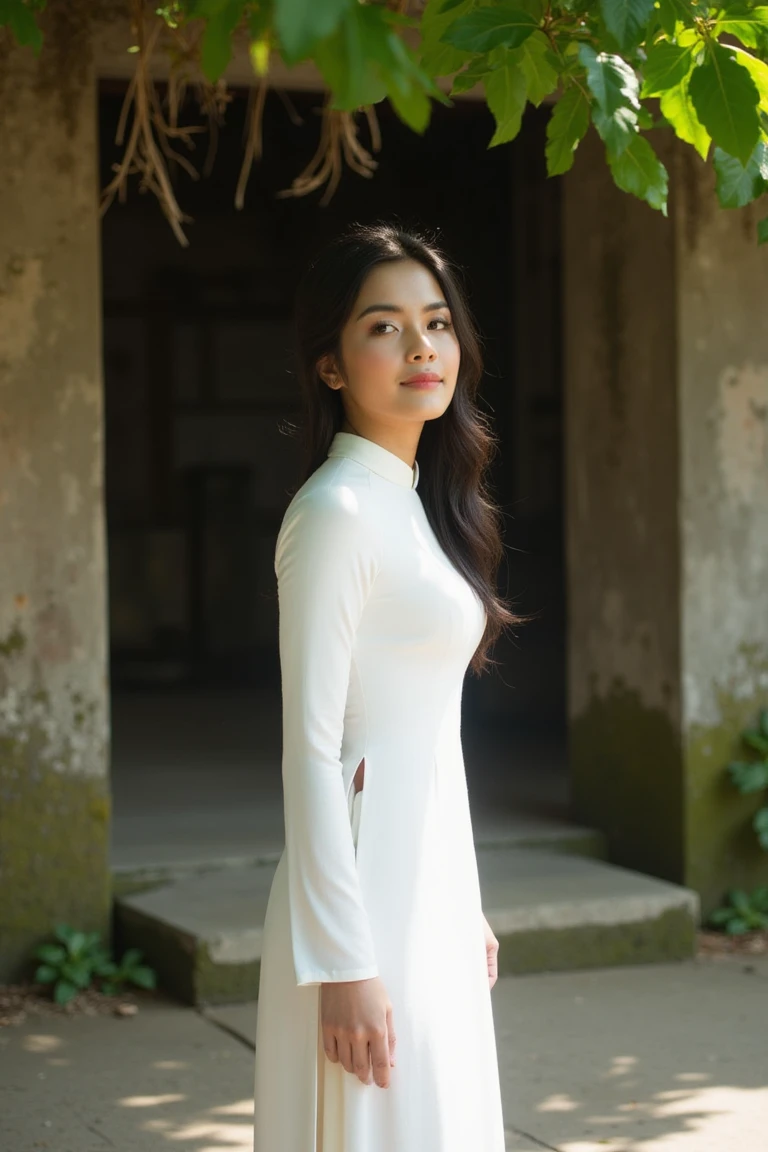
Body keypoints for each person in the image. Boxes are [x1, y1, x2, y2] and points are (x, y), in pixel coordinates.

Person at [253, 220, 519, 1151]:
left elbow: (425, 738)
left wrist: (465, 897)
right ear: (330, 364)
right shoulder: (336, 513)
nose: (421, 348)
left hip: (425, 881)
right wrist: (341, 965)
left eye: (437, 323)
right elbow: (315, 750)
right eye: (384, 326)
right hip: (365, 903)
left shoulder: (411, 505)